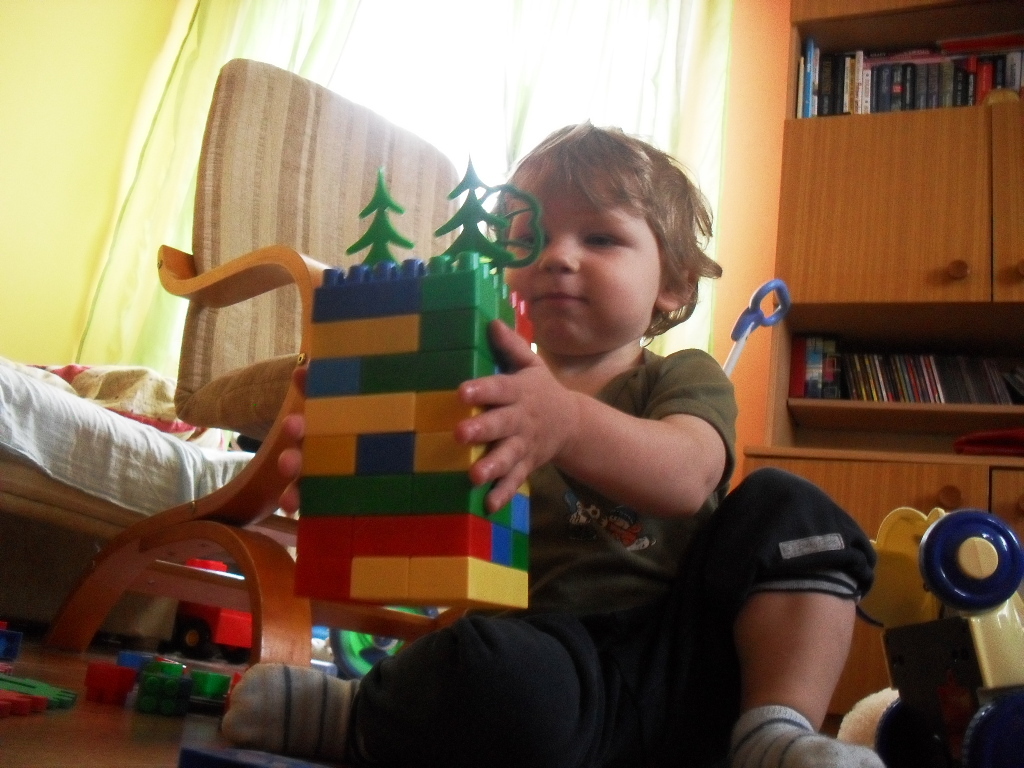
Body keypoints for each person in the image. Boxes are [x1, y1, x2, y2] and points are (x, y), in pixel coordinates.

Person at [222, 124, 883, 768]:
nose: (556, 256)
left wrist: (564, 423)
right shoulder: (476, 388)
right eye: (529, 238)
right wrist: (352, 476)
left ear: (674, 284)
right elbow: (428, 534)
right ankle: (357, 718)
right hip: (547, 663)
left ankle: (775, 732)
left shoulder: (681, 375)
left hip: (689, 663)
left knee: (794, 507)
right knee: (480, 662)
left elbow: (688, 475)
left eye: (600, 237)